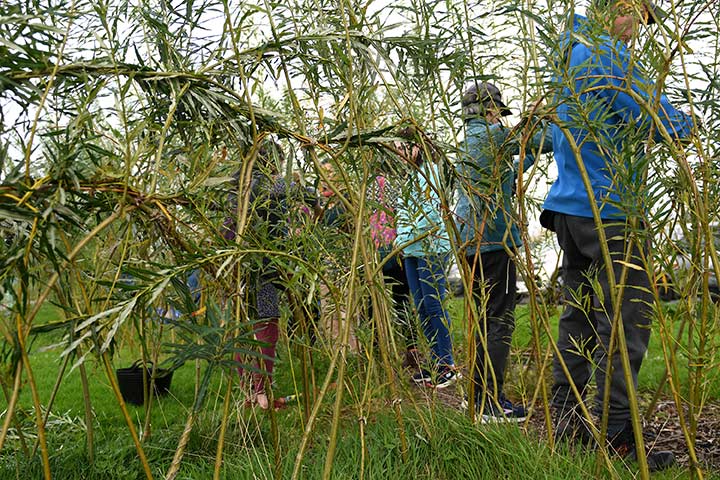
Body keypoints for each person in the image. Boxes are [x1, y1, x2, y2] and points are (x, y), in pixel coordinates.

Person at [539, 0, 694, 470]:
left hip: (569, 207)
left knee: (580, 317)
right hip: (608, 209)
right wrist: (689, 123)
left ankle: (565, 424)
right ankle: (618, 437)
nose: (636, 32)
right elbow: (657, 116)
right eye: (637, 18)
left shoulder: (568, 53)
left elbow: (554, 129)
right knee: (626, 319)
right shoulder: (605, 54)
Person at [455, 81, 552, 422]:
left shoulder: (471, 141)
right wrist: (540, 118)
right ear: (491, 110)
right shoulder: (492, 136)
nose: (501, 119)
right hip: (493, 240)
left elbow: (509, 170)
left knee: (484, 318)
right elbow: (546, 140)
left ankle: (479, 396)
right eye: (499, 113)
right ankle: (490, 403)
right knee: (499, 319)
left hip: (472, 241)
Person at [224, 141, 319, 409]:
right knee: (266, 323)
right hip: (262, 264)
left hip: (236, 264)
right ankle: (262, 392)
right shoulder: (269, 183)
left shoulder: (236, 185)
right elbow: (311, 195)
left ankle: (249, 391)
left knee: (242, 326)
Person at [393, 126, 459, 388]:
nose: (398, 152)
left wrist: (405, 238)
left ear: (417, 146)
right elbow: (403, 214)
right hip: (411, 250)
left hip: (431, 248)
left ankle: (447, 364)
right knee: (420, 307)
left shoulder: (430, 173)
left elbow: (431, 215)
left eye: (402, 146)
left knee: (434, 306)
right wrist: (401, 240)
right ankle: (435, 363)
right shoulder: (410, 176)